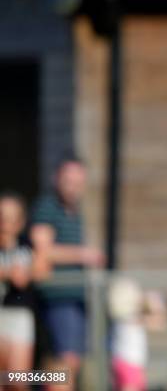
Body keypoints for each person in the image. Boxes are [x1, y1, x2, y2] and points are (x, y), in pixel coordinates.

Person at [30, 158, 105, 390]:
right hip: (57, 296)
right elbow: (42, 249)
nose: (72, 187)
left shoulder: (76, 212)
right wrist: (84, 255)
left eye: (77, 182)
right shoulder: (47, 206)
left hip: (77, 298)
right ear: (56, 180)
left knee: (69, 364)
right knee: (64, 362)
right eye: (68, 181)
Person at [0, 192, 53, 391]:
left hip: (19, 316)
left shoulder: (26, 246)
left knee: (17, 380)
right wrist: (6, 272)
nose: (5, 223)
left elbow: (43, 270)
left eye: (10, 218)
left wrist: (28, 270)